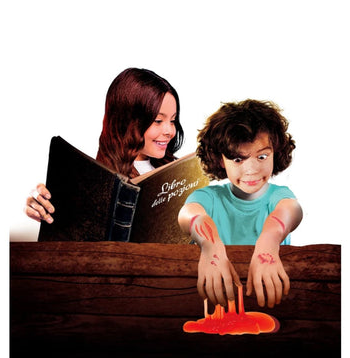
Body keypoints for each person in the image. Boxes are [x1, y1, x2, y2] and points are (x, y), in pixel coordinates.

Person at [178, 99, 303, 310]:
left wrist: (268, 244)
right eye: (238, 159)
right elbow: (188, 214)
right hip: (212, 305)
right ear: (220, 160)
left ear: (276, 152)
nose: (252, 169)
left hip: (269, 303)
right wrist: (210, 247)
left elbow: (291, 210)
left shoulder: (279, 195)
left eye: (262, 156)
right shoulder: (209, 197)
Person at [25, 67, 184, 224]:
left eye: (173, 120)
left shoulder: (181, 174)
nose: (170, 131)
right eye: (158, 121)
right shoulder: (94, 182)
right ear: (128, 121)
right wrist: (43, 204)